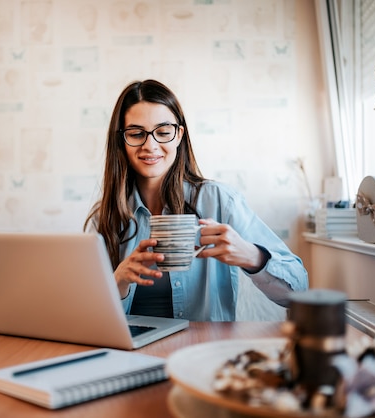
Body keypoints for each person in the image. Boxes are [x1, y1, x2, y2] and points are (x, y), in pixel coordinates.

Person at [84, 79, 308, 321]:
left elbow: (298, 292)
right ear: (121, 140)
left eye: (163, 132)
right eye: (136, 133)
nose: (150, 145)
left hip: (204, 351)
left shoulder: (220, 201)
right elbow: (92, 319)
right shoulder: (105, 218)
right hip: (133, 355)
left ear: (179, 135)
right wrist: (118, 282)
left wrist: (252, 256)